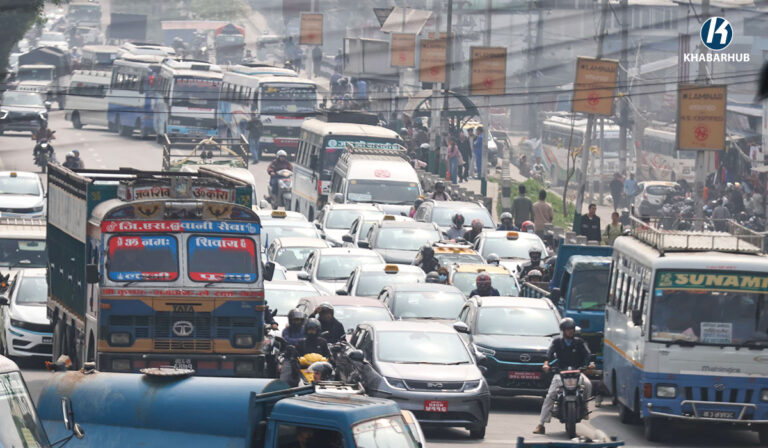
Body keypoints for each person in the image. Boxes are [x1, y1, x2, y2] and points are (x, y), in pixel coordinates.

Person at [533, 317, 594, 435]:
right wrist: (546, 364)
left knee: (587, 384)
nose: (570, 331)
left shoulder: (579, 342)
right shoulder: (557, 342)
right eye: (567, 329)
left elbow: (587, 354)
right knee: (551, 395)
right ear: (563, 330)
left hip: (577, 373)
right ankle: (541, 424)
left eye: (572, 329)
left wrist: (589, 364)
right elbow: (549, 354)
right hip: (560, 373)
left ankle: (584, 408)